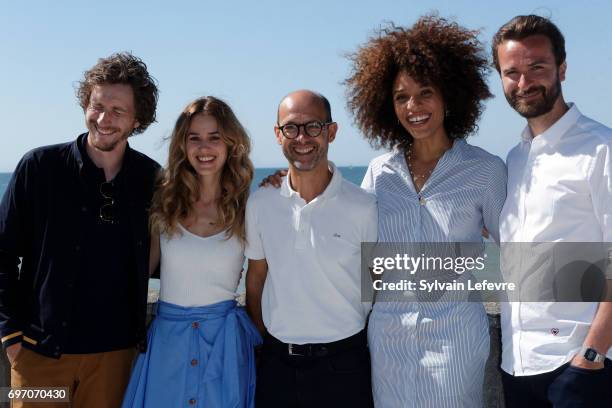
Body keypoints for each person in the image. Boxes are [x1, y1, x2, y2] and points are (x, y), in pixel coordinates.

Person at [344, 16, 507, 407]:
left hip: (456, 339)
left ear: (449, 96)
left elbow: (518, 247)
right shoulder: (378, 172)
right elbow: (358, 249)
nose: (413, 107)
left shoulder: (486, 170)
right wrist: (288, 183)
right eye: (401, 97)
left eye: (425, 93)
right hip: (388, 339)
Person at [0, 52, 159, 407]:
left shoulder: (152, 180)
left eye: (118, 111)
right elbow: (3, 255)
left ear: (138, 119)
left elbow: (172, 254)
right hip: (38, 359)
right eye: (97, 106)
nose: (103, 119)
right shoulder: (39, 168)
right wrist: (11, 339)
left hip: (115, 361)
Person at [493, 15, 612, 407]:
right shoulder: (513, 159)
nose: (524, 83)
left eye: (537, 67)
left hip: (578, 369)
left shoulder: (601, 150)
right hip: (517, 366)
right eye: (512, 72)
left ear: (561, 68)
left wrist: (591, 356)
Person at [121, 96, 261, 408]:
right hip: (167, 347)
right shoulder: (163, 203)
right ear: (183, 145)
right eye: (194, 138)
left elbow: (262, 278)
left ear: (231, 144)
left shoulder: (250, 207)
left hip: (224, 348)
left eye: (214, 138)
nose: (204, 148)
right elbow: (137, 272)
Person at [245, 90, 378, 407]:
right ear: (278, 135)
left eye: (313, 127)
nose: (302, 137)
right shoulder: (261, 202)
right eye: (291, 127)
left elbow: (376, 282)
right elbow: (256, 280)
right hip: (277, 365)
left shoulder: (364, 206)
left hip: (346, 364)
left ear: (331, 131)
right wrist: (265, 341)